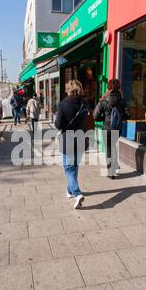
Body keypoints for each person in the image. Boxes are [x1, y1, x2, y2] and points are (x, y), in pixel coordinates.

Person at [55, 80, 89, 210]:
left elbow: (58, 124)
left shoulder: (63, 104)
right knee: (74, 167)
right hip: (81, 139)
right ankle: (69, 190)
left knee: (69, 168)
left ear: (69, 90)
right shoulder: (85, 104)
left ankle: (77, 193)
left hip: (68, 140)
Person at [94, 79, 126, 180]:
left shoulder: (104, 100)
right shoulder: (122, 100)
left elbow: (95, 115)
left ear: (108, 87)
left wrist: (103, 119)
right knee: (113, 145)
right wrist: (119, 117)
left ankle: (111, 172)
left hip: (107, 127)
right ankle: (114, 165)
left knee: (109, 147)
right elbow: (128, 114)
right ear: (119, 87)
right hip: (118, 127)